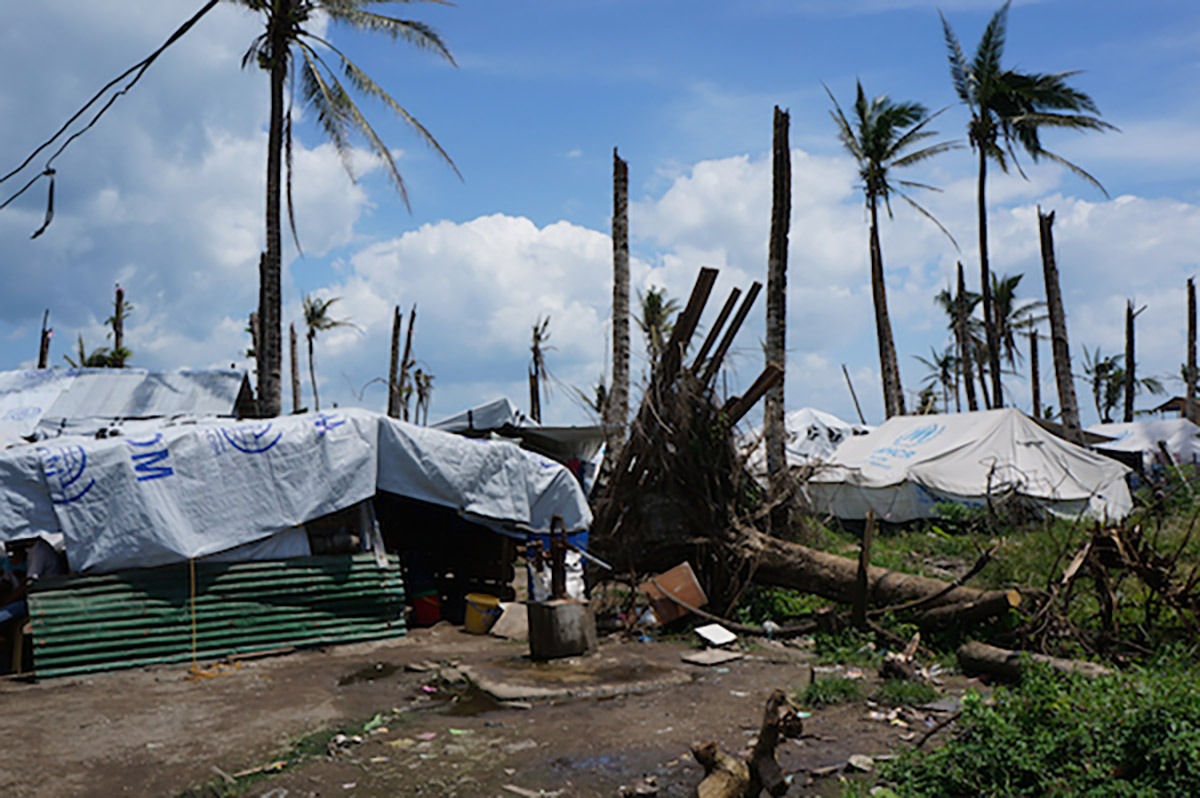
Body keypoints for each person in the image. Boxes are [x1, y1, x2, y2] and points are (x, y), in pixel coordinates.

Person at [0, 537, 66, 628]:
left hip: (42, 599)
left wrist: (7, 601)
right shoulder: (35, 549)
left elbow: (29, 583)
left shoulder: (39, 549)